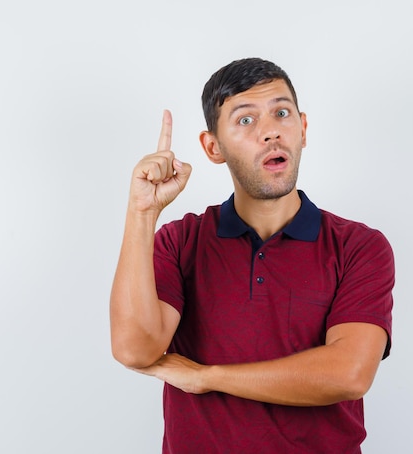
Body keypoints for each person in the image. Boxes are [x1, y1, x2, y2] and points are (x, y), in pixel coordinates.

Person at [110, 57, 394, 453]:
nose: (271, 132)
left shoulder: (359, 246)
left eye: (282, 113)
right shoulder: (179, 242)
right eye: (245, 120)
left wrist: (207, 377)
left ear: (303, 128)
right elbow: (134, 349)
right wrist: (142, 213)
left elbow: (348, 374)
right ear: (213, 147)